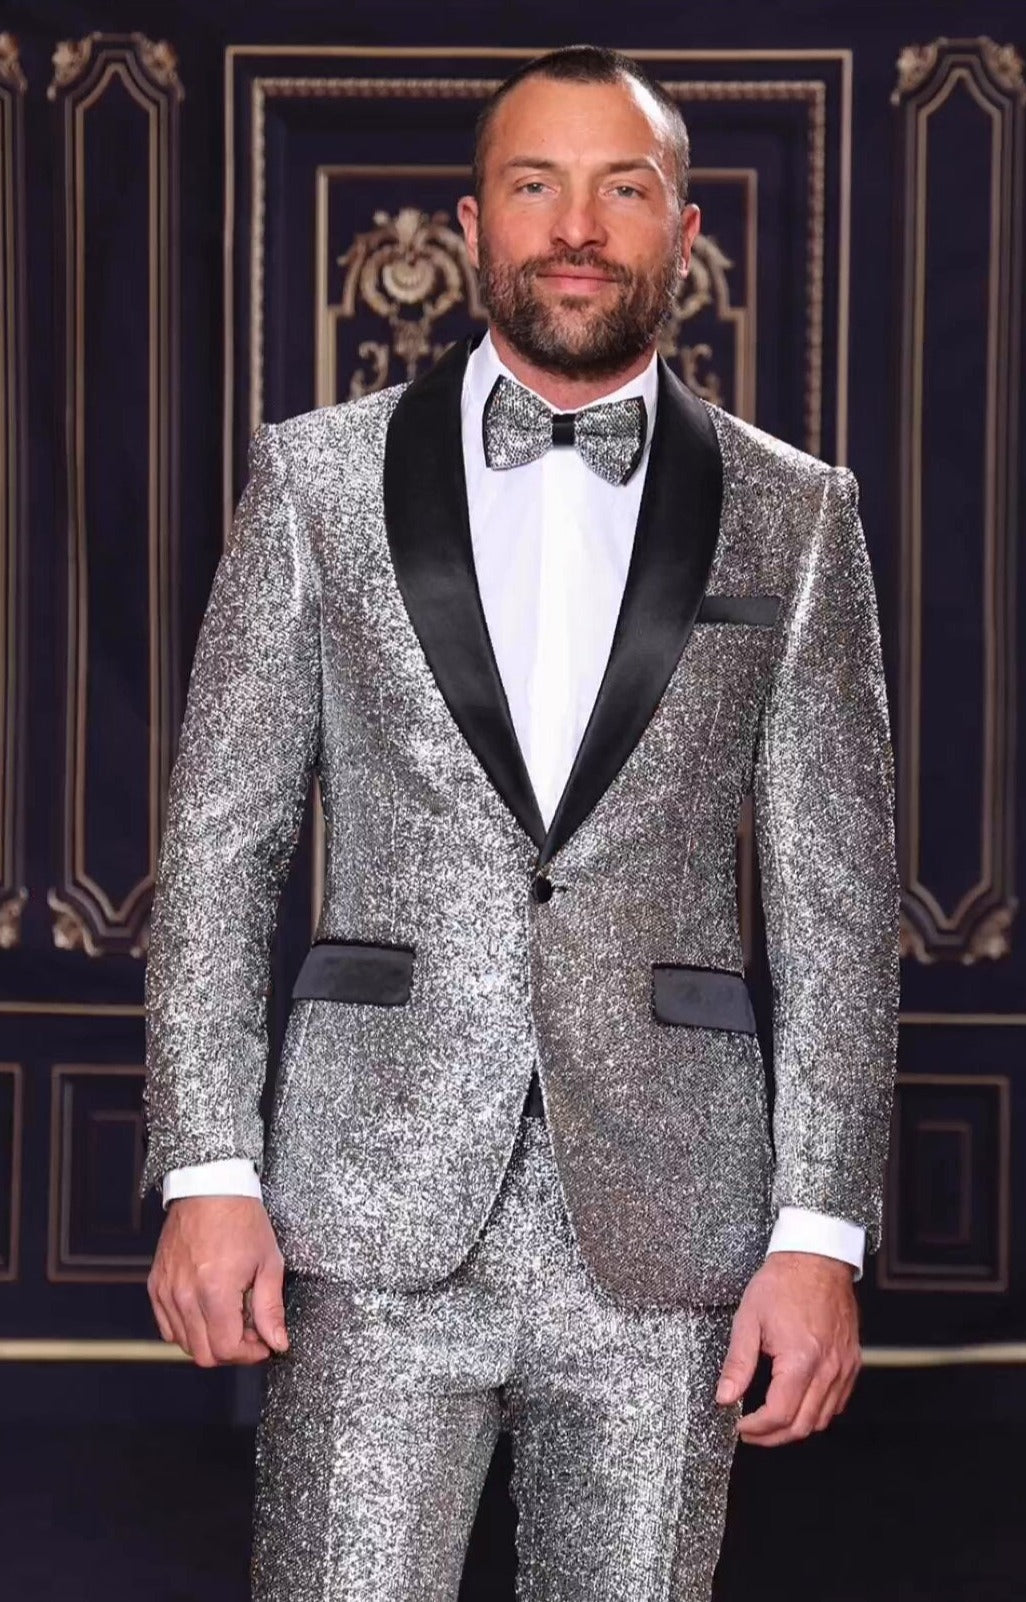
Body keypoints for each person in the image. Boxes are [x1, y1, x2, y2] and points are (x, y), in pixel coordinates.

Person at [142, 44, 898, 1602]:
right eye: (536, 185)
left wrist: (822, 1229)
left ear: (685, 230)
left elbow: (837, 898)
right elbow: (220, 847)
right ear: (474, 222)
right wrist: (207, 1166)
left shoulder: (797, 511)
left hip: (671, 1227)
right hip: (370, 1209)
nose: (578, 227)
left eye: (624, 189)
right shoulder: (316, 481)